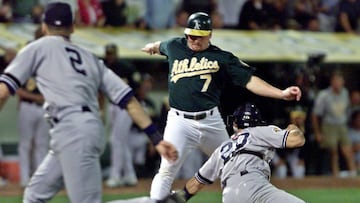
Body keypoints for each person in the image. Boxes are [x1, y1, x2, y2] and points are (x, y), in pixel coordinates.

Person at [0, 2, 177, 203]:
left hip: (71, 129)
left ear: (44, 26)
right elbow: (129, 100)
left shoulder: (36, 47)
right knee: (34, 196)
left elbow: (4, 90)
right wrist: (155, 138)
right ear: (73, 26)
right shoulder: (89, 58)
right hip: (83, 127)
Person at [141, 12, 302, 201]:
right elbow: (161, 46)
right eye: (190, 35)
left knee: (233, 161)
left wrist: (281, 93)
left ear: (209, 34)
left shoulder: (221, 58)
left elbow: (249, 80)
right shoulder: (175, 45)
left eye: (199, 36)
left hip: (210, 120)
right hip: (179, 121)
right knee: (167, 170)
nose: (193, 39)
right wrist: (152, 47)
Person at [106, 103, 306, 203]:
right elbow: (298, 140)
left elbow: (196, 183)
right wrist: (292, 127)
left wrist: (175, 198)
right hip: (255, 187)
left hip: (229, 196)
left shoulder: (223, 147)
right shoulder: (260, 131)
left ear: (236, 124)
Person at [312, 70, 356, 177]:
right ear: (331, 82)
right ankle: (335, 176)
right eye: (335, 81)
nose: (337, 83)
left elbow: (347, 110)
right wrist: (317, 132)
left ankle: (354, 174)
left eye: (339, 81)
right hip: (329, 125)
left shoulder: (345, 93)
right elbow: (315, 114)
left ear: (343, 82)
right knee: (333, 151)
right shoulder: (324, 95)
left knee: (347, 149)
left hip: (342, 125)